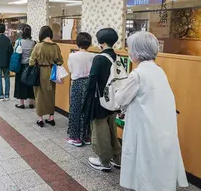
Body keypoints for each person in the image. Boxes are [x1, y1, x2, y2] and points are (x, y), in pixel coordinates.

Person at [116, 32, 188, 191]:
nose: (128, 52)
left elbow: (120, 98)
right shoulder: (158, 70)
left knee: (143, 167)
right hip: (160, 129)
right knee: (157, 167)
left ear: (137, 52)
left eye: (130, 48)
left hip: (144, 130)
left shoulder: (137, 74)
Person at [83, 28, 122, 171]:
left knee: (100, 130)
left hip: (99, 99)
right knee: (111, 128)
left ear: (102, 42)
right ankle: (117, 158)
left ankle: (103, 160)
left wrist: (86, 98)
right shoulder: (116, 57)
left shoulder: (99, 58)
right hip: (113, 99)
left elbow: (92, 80)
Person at [29, 26, 63, 127]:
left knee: (39, 95)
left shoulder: (38, 46)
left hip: (40, 73)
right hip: (52, 72)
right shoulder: (56, 46)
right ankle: (51, 118)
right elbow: (60, 61)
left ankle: (40, 119)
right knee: (51, 94)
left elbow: (31, 61)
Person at [66, 32, 94, 146]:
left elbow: (71, 69)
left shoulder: (72, 56)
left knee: (75, 110)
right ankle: (86, 137)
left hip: (77, 83)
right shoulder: (93, 56)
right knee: (86, 110)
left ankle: (75, 137)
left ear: (77, 43)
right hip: (88, 83)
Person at [14, 24, 35, 108]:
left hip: (21, 66)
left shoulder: (18, 42)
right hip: (30, 66)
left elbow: (15, 52)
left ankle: (22, 103)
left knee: (20, 83)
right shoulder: (33, 42)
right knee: (31, 83)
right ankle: (31, 103)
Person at [0, 23, 13, 100]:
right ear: (4, 30)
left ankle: (0, 95)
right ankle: (7, 95)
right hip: (7, 62)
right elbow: (11, 51)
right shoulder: (8, 40)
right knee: (7, 78)